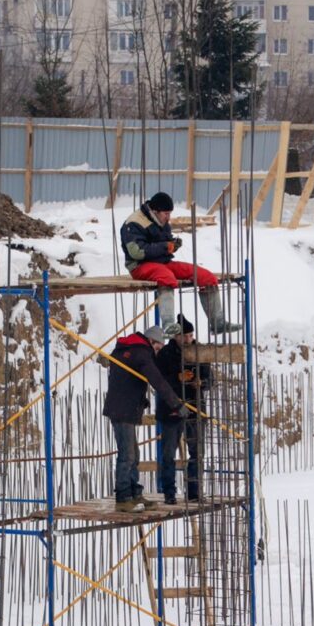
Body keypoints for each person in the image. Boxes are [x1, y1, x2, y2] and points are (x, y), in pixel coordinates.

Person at [121, 191, 241, 335]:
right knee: (166, 277)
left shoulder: (161, 220)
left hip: (162, 263)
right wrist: (166, 246)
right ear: (155, 211)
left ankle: (218, 323)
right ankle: (168, 324)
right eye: (166, 214)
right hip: (139, 266)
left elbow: (164, 242)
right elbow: (137, 252)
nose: (168, 217)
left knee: (206, 277)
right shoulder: (134, 223)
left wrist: (173, 245)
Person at [104, 325, 186, 512]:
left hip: (123, 407)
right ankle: (124, 497)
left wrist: (140, 399)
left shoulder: (126, 350)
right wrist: (177, 404)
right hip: (122, 410)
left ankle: (134, 493)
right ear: (151, 342)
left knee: (134, 453)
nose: (157, 352)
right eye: (157, 348)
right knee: (127, 455)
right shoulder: (142, 353)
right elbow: (158, 381)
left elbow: (124, 380)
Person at [156, 317, 210, 504]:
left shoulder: (200, 351)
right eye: (185, 336)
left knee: (197, 452)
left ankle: (194, 491)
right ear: (176, 336)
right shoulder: (165, 354)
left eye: (190, 335)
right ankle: (169, 493)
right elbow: (158, 381)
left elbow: (209, 379)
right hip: (172, 409)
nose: (189, 339)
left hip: (195, 407)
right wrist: (177, 378)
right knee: (168, 453)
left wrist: (200, 383)